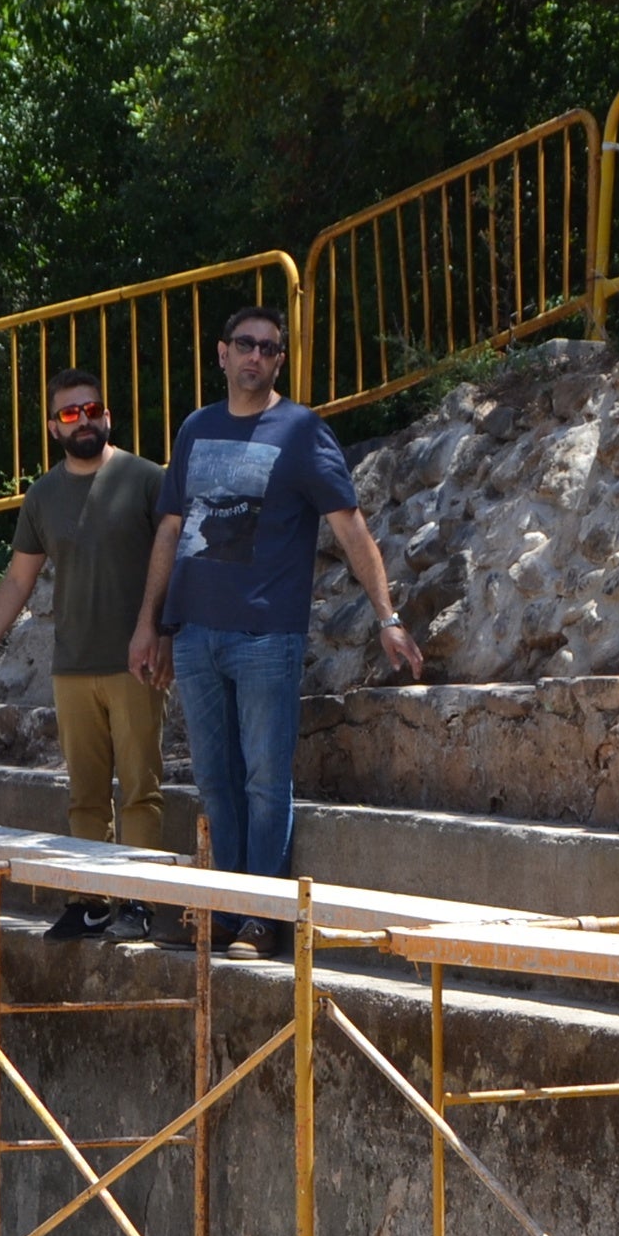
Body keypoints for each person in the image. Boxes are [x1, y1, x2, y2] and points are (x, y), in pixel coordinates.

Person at [129, 305, 421, 957]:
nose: (257, 356)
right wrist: (152, 624)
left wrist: (387, 616)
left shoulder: (301, 432)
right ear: (222, 353)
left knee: (265, 778)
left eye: (270, 348)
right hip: (197, 635)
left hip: (266, 637)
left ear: (279, 361)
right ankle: (227, 911)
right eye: (246, 345)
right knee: (214, 778)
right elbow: (172, 529)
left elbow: (350, 526)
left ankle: (267, 916)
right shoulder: (195, 430)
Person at [0, 367, 170, 942]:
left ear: (108, 416)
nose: (83, 420)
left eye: (91, 409)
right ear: (54, 427)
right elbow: (20, 579)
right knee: (85, 794)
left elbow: (173, 561)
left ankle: (141, 901)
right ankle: (89, 901)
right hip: (72, 667)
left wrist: (163, 633)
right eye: (70, 413)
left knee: (141, 787)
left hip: (135, 661)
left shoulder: (147, 478)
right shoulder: (43, 495)